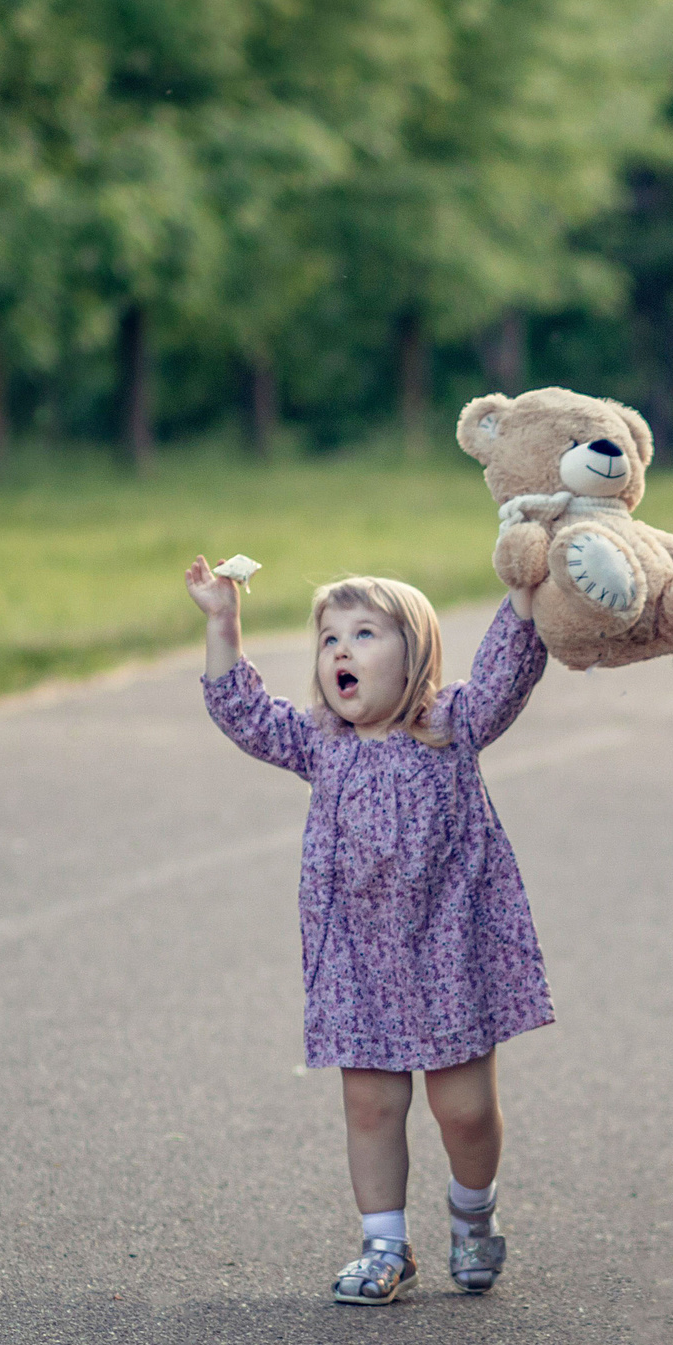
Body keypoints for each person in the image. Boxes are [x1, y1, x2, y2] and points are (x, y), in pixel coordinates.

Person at [185, 556, 552, 1304]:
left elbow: (506, 673)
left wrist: (522, 591)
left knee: (466, 1111)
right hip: (357, 959)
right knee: (371, 1106)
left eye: (363, 634)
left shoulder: (451, 726)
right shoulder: (322, 744)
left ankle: (472, 1215)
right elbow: (243, 712)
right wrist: (223, 623)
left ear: (415, 658)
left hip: (451, 951)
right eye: (328, 640)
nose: (341, 651)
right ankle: (385, 1244)